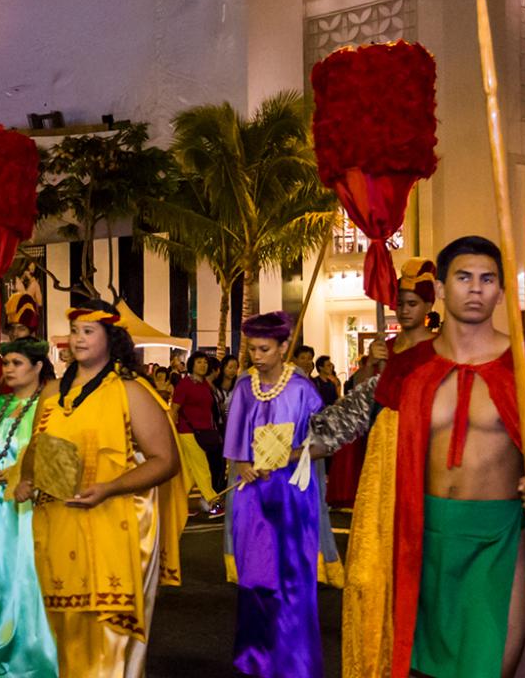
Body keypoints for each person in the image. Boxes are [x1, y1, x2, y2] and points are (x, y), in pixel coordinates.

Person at [344, 236, 525, 677]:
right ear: (442, 288)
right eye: (464, 277)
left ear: (502, 291)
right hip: (423, 537)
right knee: (424, 665)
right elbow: (382, 471)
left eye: (488, 279)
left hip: (501, 539)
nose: (476, 288)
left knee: (490, 664)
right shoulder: (407, 371)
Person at [13, 301, 187, 677]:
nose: (78, 338)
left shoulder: (130, 392)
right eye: (74, 330)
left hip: (111, 523)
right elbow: (36, 451)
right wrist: (26, 480)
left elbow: (165, 461)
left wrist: (109, 488)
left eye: (88, 331)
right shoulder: (51, 394)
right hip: (56, 526)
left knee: (107, 639)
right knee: (66, 631)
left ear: (112, 338)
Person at [222, 311, 324, 676]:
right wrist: (244, 465)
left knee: (294, 579)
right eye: (252, 349)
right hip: (252, 494)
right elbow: (235, 447)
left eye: (264, 349)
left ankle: (295, 663)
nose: (256, 356)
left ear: (284, 348)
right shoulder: (244, 388)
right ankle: (254, 659)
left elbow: (324, 442)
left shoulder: (302, 390)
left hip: (293, 495)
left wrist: (287, 455)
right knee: (255, 578)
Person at [0, 338, 59, 678]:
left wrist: (23, 474)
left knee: (31, 574)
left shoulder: (50, 406)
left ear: (37, 367)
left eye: (17, 363)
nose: (8, 369)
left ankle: (37, 655)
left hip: (32, 503)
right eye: (6, 363)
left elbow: (52, 456)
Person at [321, 258, 439, 510]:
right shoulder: (385, 348)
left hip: (424, 445)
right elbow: (360, 396)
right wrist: (369, 364)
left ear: (428, 306)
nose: (404, 310)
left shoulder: (440, 348)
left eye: (412, 304)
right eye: (400, 304)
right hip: (382, 445)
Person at [172, 352, 224, 500]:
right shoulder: (184, 384)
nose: (203, 365)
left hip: (204, 432)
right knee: (202, 468)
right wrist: (171, 433)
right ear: (192, 365)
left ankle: (178, 502)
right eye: (199, 362)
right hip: (187, 431)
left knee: (189, 471)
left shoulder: (205, 384)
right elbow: (174, 410)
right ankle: (212, 500)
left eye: (205, 362)